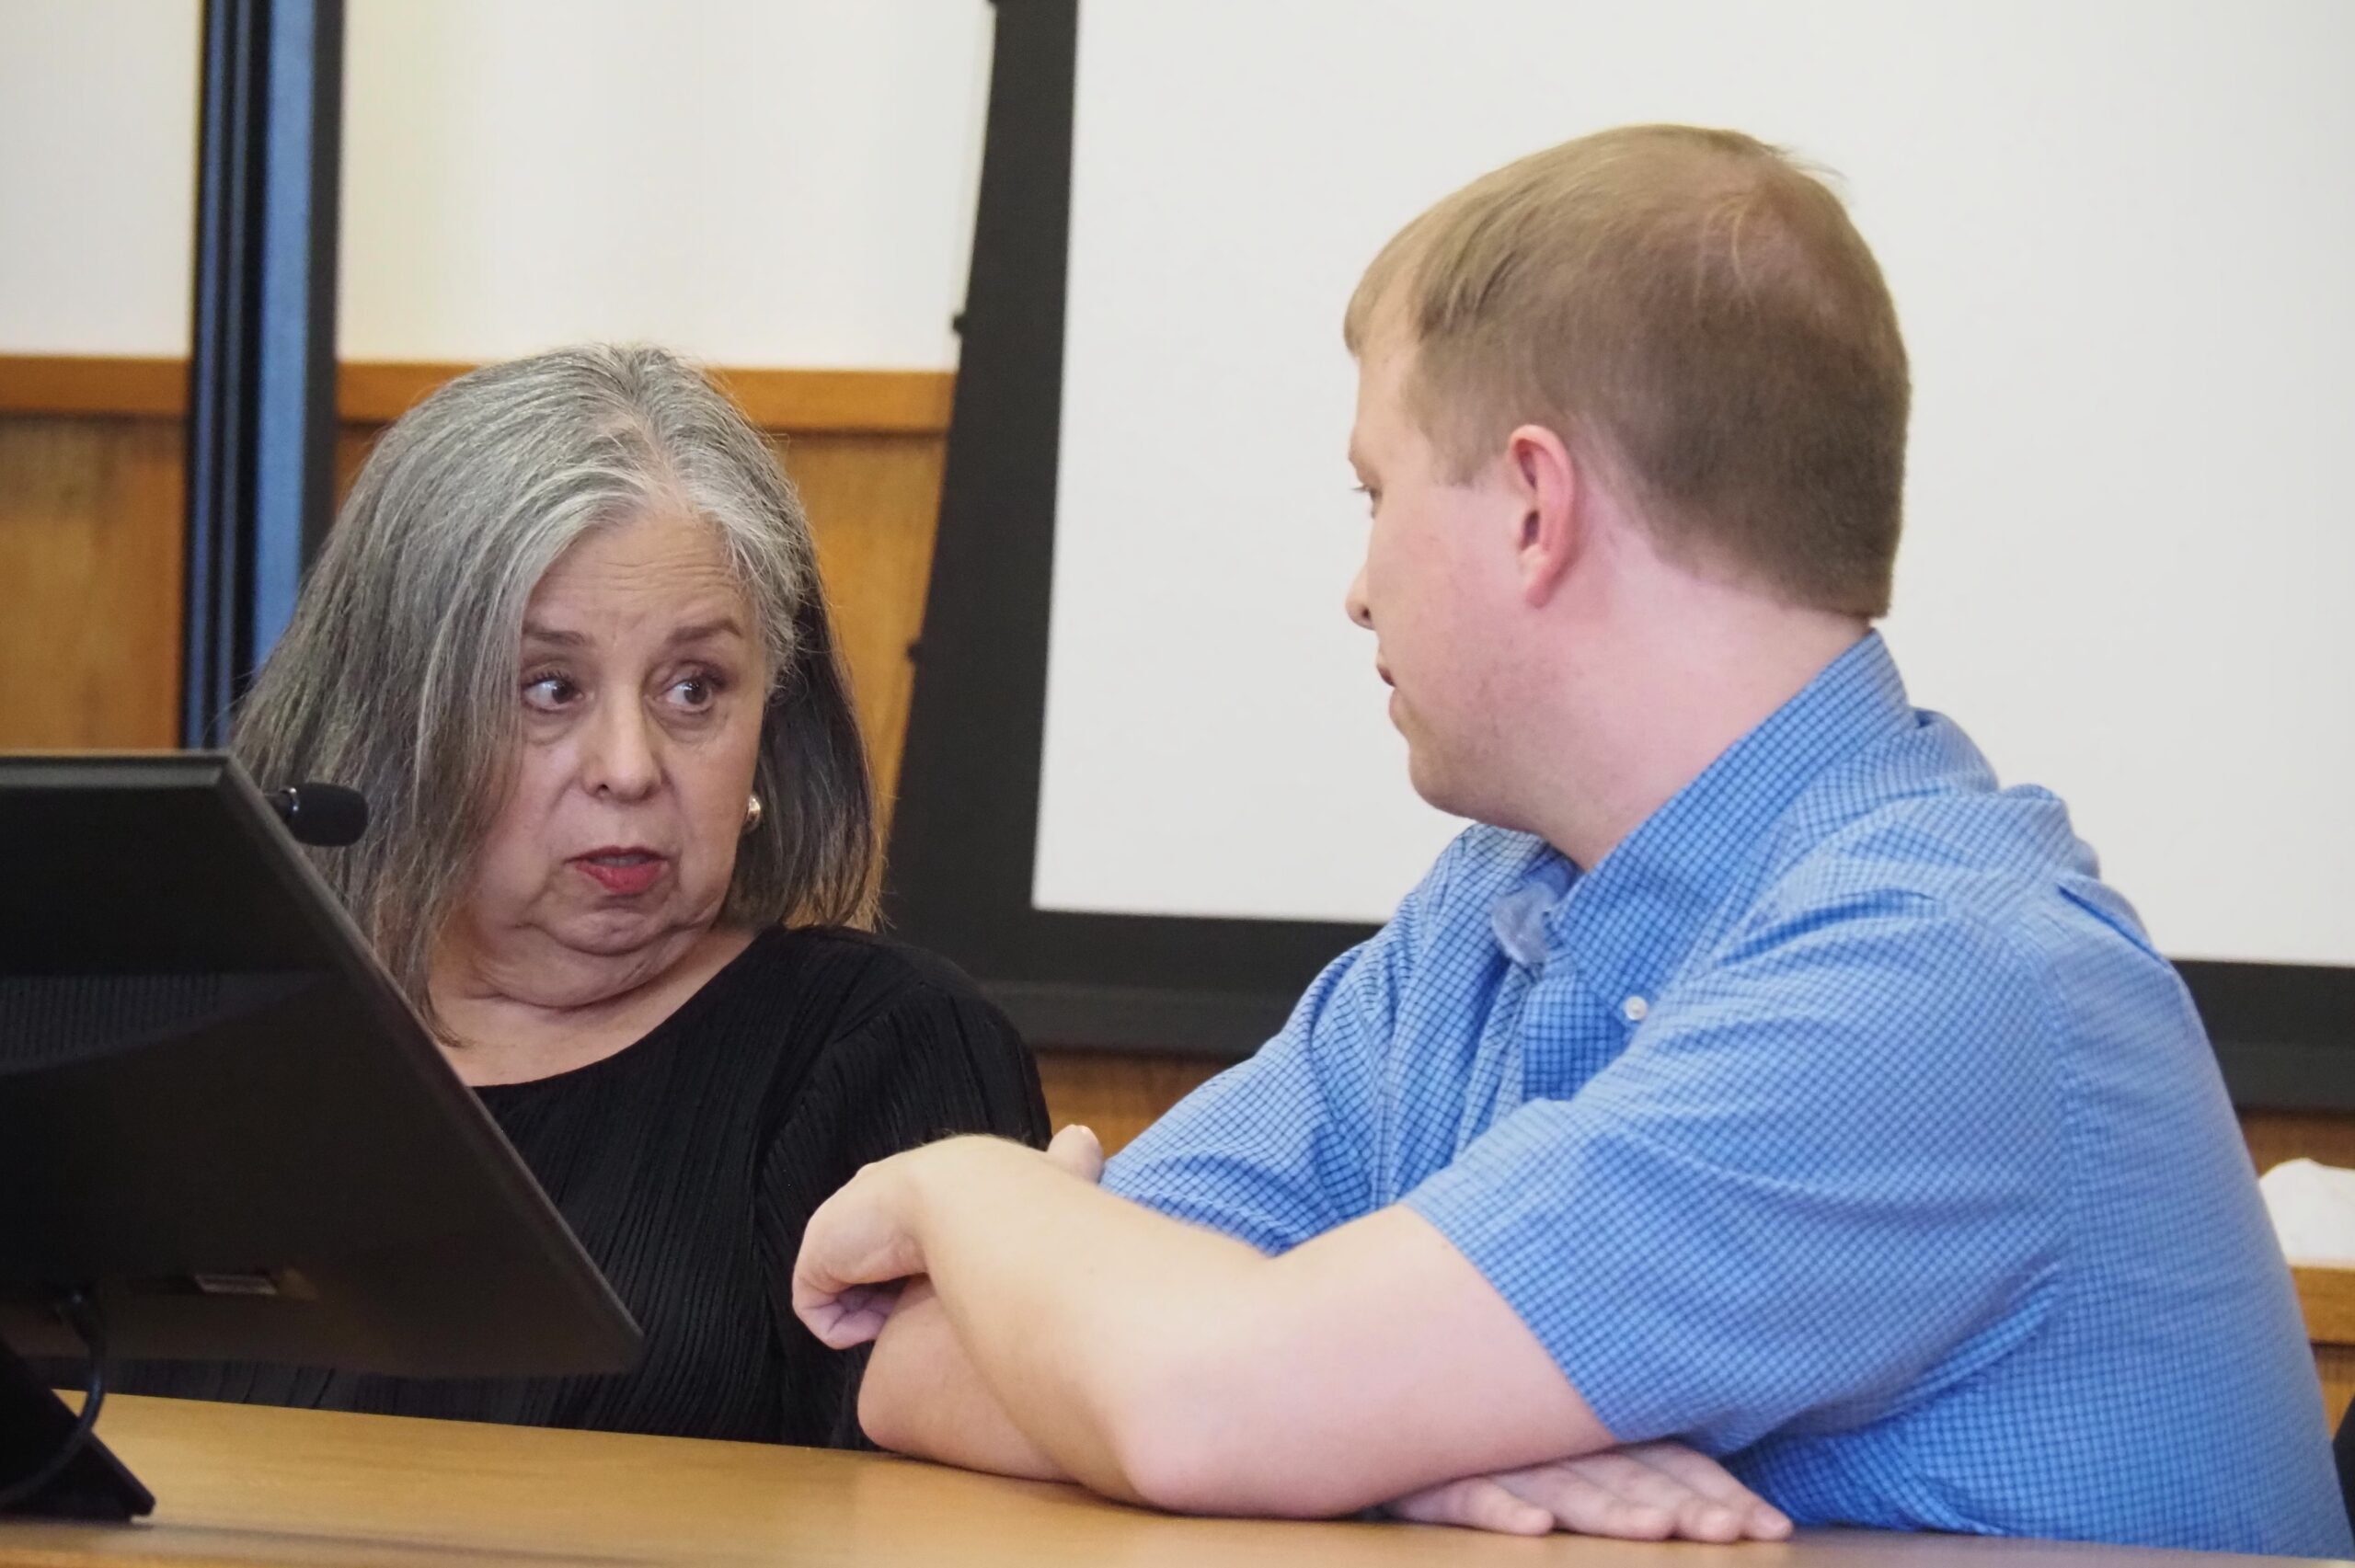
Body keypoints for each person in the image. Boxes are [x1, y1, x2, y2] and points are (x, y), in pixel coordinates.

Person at [791, 127, 2351, 1554]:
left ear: (1535, 508)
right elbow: (919, 1361)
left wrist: (970, 1189)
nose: (1356, 587)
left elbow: (1190, 1395)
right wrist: (1372, 1441)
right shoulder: (1488, 917)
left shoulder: (1944, 979)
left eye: (1375, 491)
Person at [119, 344, 1047, 1445]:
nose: (628, 763)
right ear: (396, 719)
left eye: (694, 689)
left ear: (773, 721)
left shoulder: (881, 1055)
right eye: (548, 688)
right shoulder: (203, 1039)